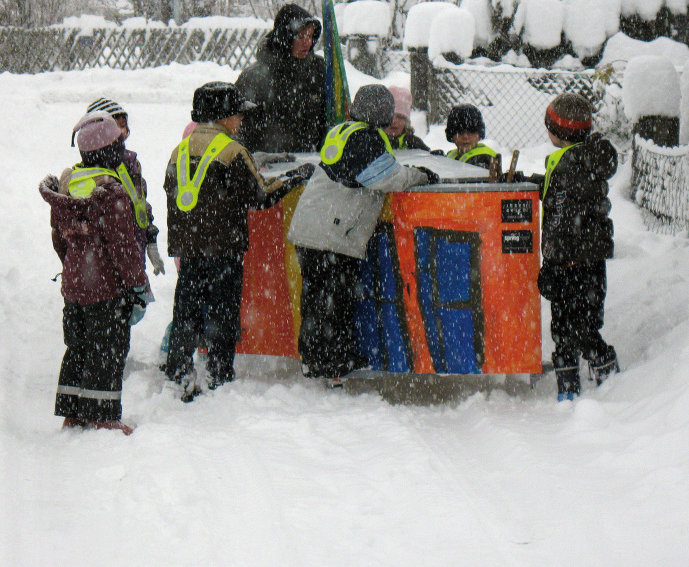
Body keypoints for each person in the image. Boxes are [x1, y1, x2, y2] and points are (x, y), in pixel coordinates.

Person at [163, 81, 314, 401]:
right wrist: (293, 178)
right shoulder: (232, 150)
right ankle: (218, 372)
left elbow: (171, 190)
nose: (242, 120)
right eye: (237, 114)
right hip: (223, 247)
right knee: (221, 310)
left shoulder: (180, 149)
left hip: (189, 246)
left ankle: (177, 370)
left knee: (186, 310)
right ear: (222, 116)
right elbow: (259, 196)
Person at [287, 84, 439, 381]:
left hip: (311, 229)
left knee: (315, 299)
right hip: (334, 234)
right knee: (335, 303)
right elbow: (386, 177)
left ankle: (313, 358)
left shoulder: (342, 130)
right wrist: (420, 175)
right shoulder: (367, 139)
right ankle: (334, 364)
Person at [39, 111, 149, 435]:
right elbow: (123, 249)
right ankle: (103, 415)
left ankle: (72, 411)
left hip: (75, 286)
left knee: (78, 346)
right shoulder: (112, 193)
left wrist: (72, 264)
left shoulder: (68, 187)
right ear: (111, 151)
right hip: (107, 290)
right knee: (108, 350)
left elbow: (59, 237)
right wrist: (136, 284)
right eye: (119, 142)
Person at [532, 93, 620, 401]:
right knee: (581, 320)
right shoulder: (583, 159)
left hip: (568, 260)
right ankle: (588, 378)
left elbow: (564, 215)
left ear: (557, 131)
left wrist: (553, 264)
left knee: (570, 325)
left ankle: (589, 378)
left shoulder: (571, 165)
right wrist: (539, 184)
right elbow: (570, 197)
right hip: (590, 257)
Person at [85, 97, 165, 277]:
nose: (123, 132)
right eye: (116, 127)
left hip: (134, 257)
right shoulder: (91, 172)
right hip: (106, 267)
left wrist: (150, 238)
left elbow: (140, 203)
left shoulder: (130, 163)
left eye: (124, 126)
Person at [235, 4, 328, 153]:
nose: (307, 42)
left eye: (310, 36)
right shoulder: (255, 77)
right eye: (301, 36)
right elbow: (239, 127)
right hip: (268, 164)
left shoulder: (318, 70)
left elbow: (329, 118)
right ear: (285, 36)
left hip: (311, 162)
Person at [443, 104, 498, 170]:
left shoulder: (484, 159)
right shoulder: (452, 155)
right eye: (460, 132)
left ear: (479, 135)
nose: (465, 137)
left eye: (471, 132)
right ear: (451, 136)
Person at [385, 85, 430, 151]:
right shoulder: (372, 142)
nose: (394, 121)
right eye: (390, 117)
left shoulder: (413, 143)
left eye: (400, 117)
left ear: (406, 122)